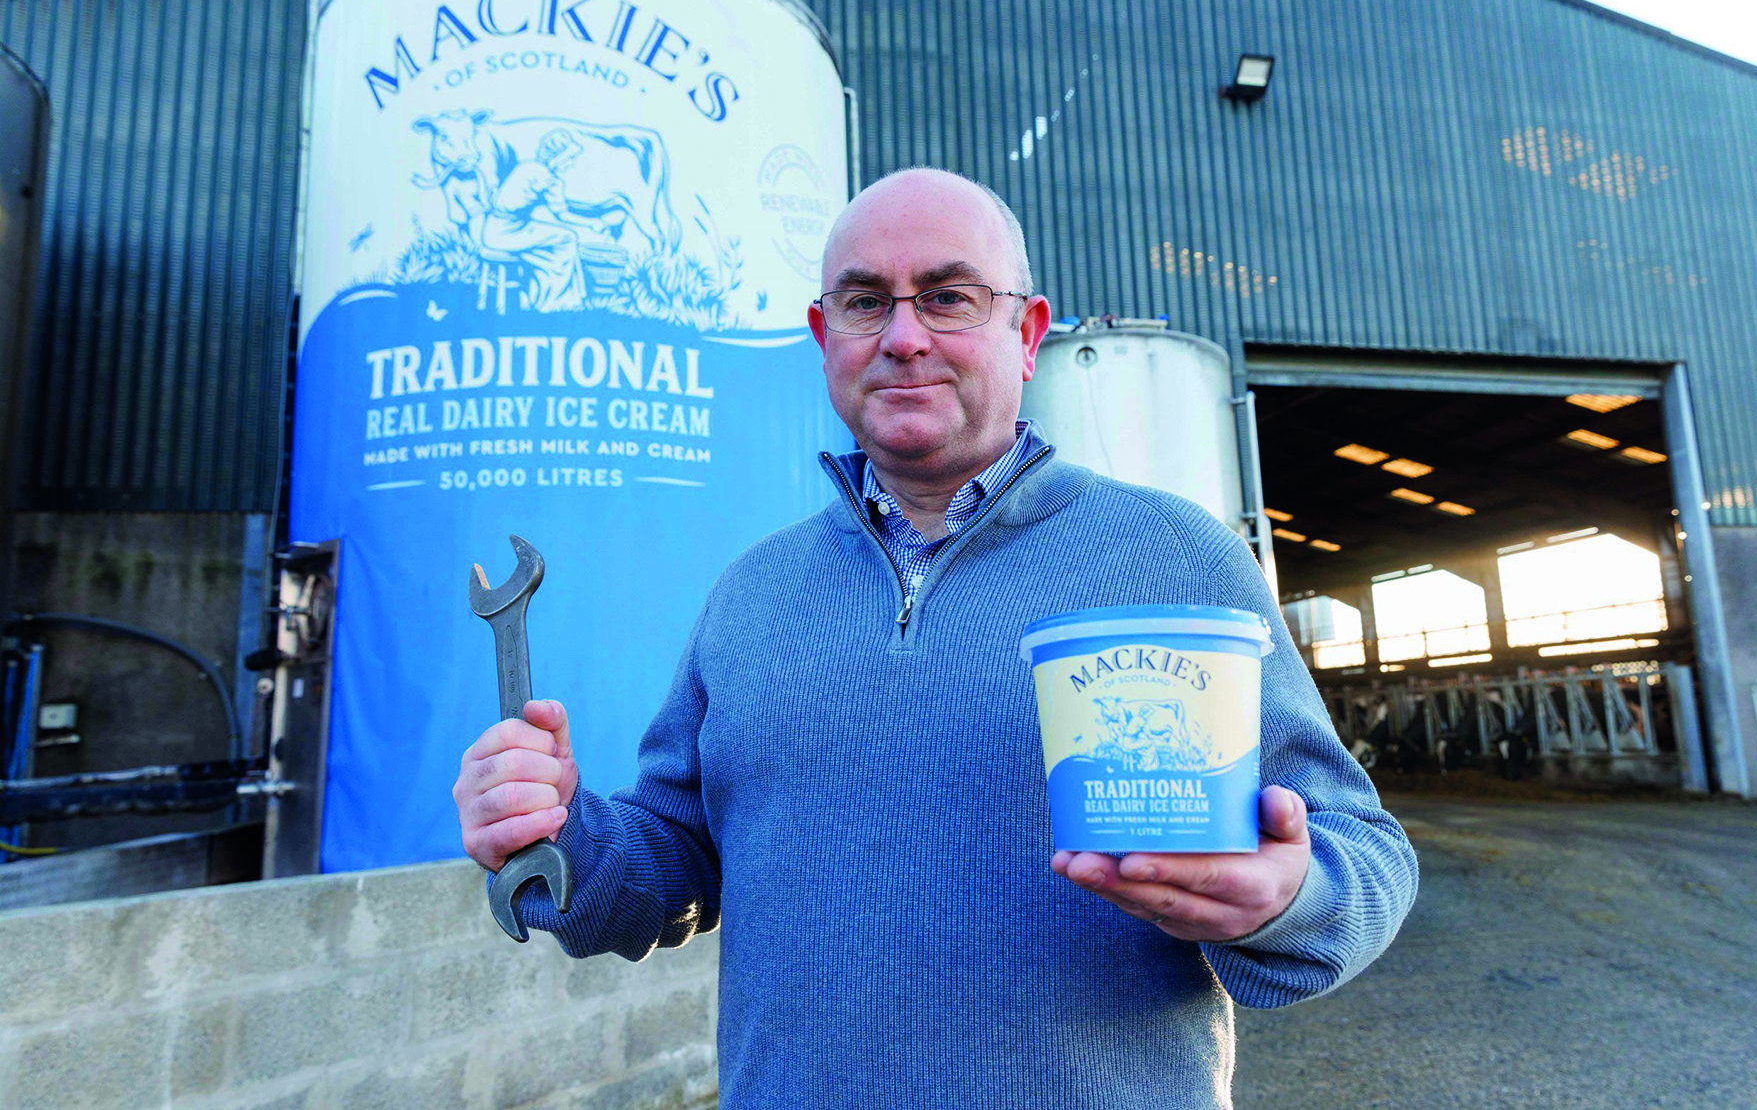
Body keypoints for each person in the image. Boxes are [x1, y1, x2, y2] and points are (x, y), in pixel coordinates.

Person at [452, 168, 1418, 1108]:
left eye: (950, 297)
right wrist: (559, 829)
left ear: (1027, 332)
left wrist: (1293, 894)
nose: (905, 337)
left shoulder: (1177, 558)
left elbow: (1362, 851)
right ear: (825, 336)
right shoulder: (750, 595)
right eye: (867, 303)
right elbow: (671, 865)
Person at [477, 128, 591, 312]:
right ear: (559, 158)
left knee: (552, 236)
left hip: (491, 228)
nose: (571, 164)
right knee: (567, 238)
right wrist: (592, 223)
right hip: (508, 234)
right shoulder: (550, 179)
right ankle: (554, 300)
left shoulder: (527, 167)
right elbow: (562, 215)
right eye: (569, 158)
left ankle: (535, 291)